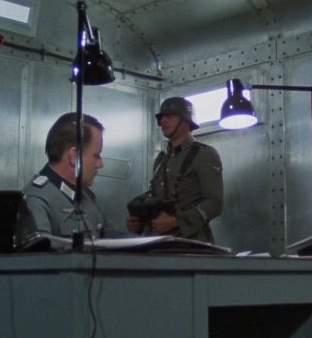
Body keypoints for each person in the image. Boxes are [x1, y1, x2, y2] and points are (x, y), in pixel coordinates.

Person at [127, 97, 223, 243]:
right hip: (160, 243)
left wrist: (177, 221)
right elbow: (158, 199)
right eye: (161, 117)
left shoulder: (204, 154)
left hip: (192, 244)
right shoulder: (161, 160)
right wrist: (140, 222)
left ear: (186, 120)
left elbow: (214, 203)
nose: (163, 121)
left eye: (170, 116)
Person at [23, 112, 116, 239]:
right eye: (96, 155)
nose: (100, 164)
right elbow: (39, 250)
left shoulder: (86, 196)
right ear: (74, 156)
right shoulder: (36, 200)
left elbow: (111, 238)